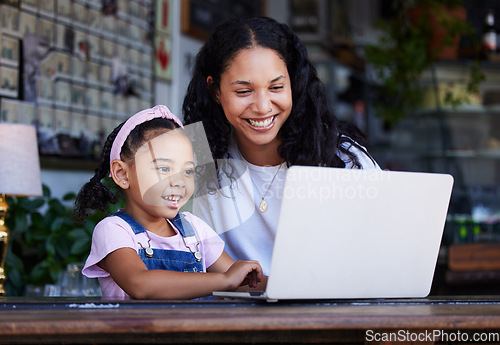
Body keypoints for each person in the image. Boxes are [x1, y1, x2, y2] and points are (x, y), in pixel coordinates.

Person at [182, 17, 380, 275]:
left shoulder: (340, 157)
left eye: (276, 87)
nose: (263, 107)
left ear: (294, 85)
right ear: (215, 90)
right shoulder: (194, 156)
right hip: (228, 312)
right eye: (244, 91)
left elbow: (379, 249)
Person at [74, 105, 263, 299]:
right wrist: (224, 281)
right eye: (164, 169)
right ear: (122, 174)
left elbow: (241, 281)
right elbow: (140, 284)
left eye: (188, 171)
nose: (179, 182)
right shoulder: (114, 230)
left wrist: (286, 285)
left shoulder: (194, 229)